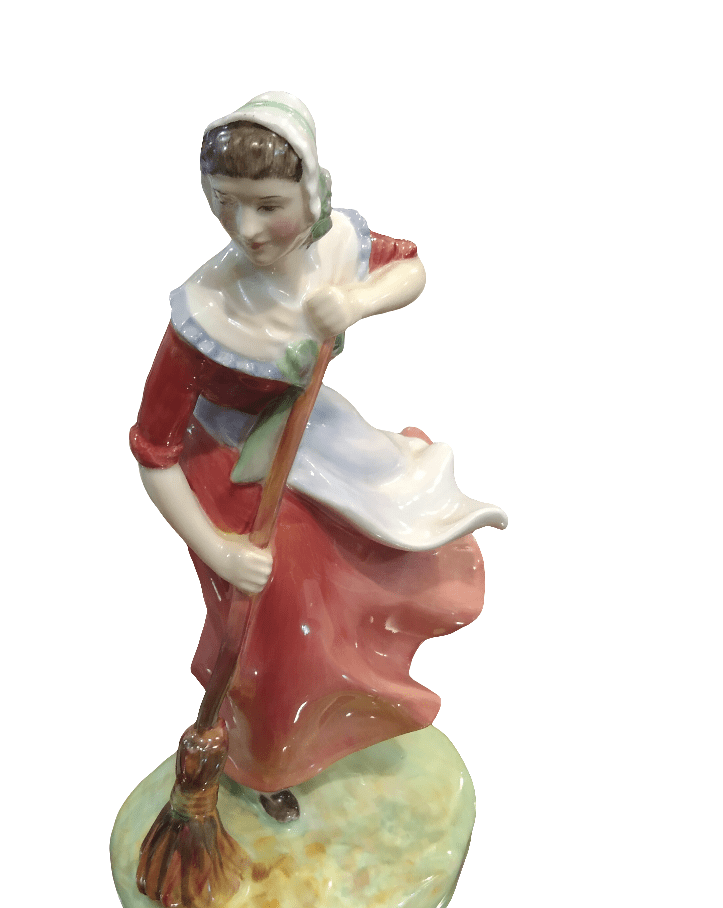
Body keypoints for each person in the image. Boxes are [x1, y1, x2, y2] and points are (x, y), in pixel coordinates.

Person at [130, 93, 506, 818]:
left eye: (267, 205)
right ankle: (268, 761)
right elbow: (154, 450)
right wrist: (216, 547)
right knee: (280, 620)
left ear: (310, 193)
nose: (247, 228)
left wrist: (358, 302)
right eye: (225, 204)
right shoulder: (203, 315)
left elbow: (411, 266)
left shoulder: (333, 246)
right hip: (230, 471)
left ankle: (343, 715)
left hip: (315, 437)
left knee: (374, 543)